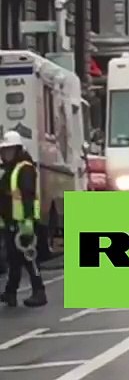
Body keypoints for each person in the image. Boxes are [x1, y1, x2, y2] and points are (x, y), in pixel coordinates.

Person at [0, 131, 44, 307]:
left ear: (17, 149)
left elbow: (27, 195)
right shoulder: (10, 170)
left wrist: (27, 222)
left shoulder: (24, 168)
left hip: (22, 223)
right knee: (13, 259)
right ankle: (10, 292)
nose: (6, 154)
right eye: (4, 151)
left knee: (28, 257)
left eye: (9, 150)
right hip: (11, 222)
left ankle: (39, 292)